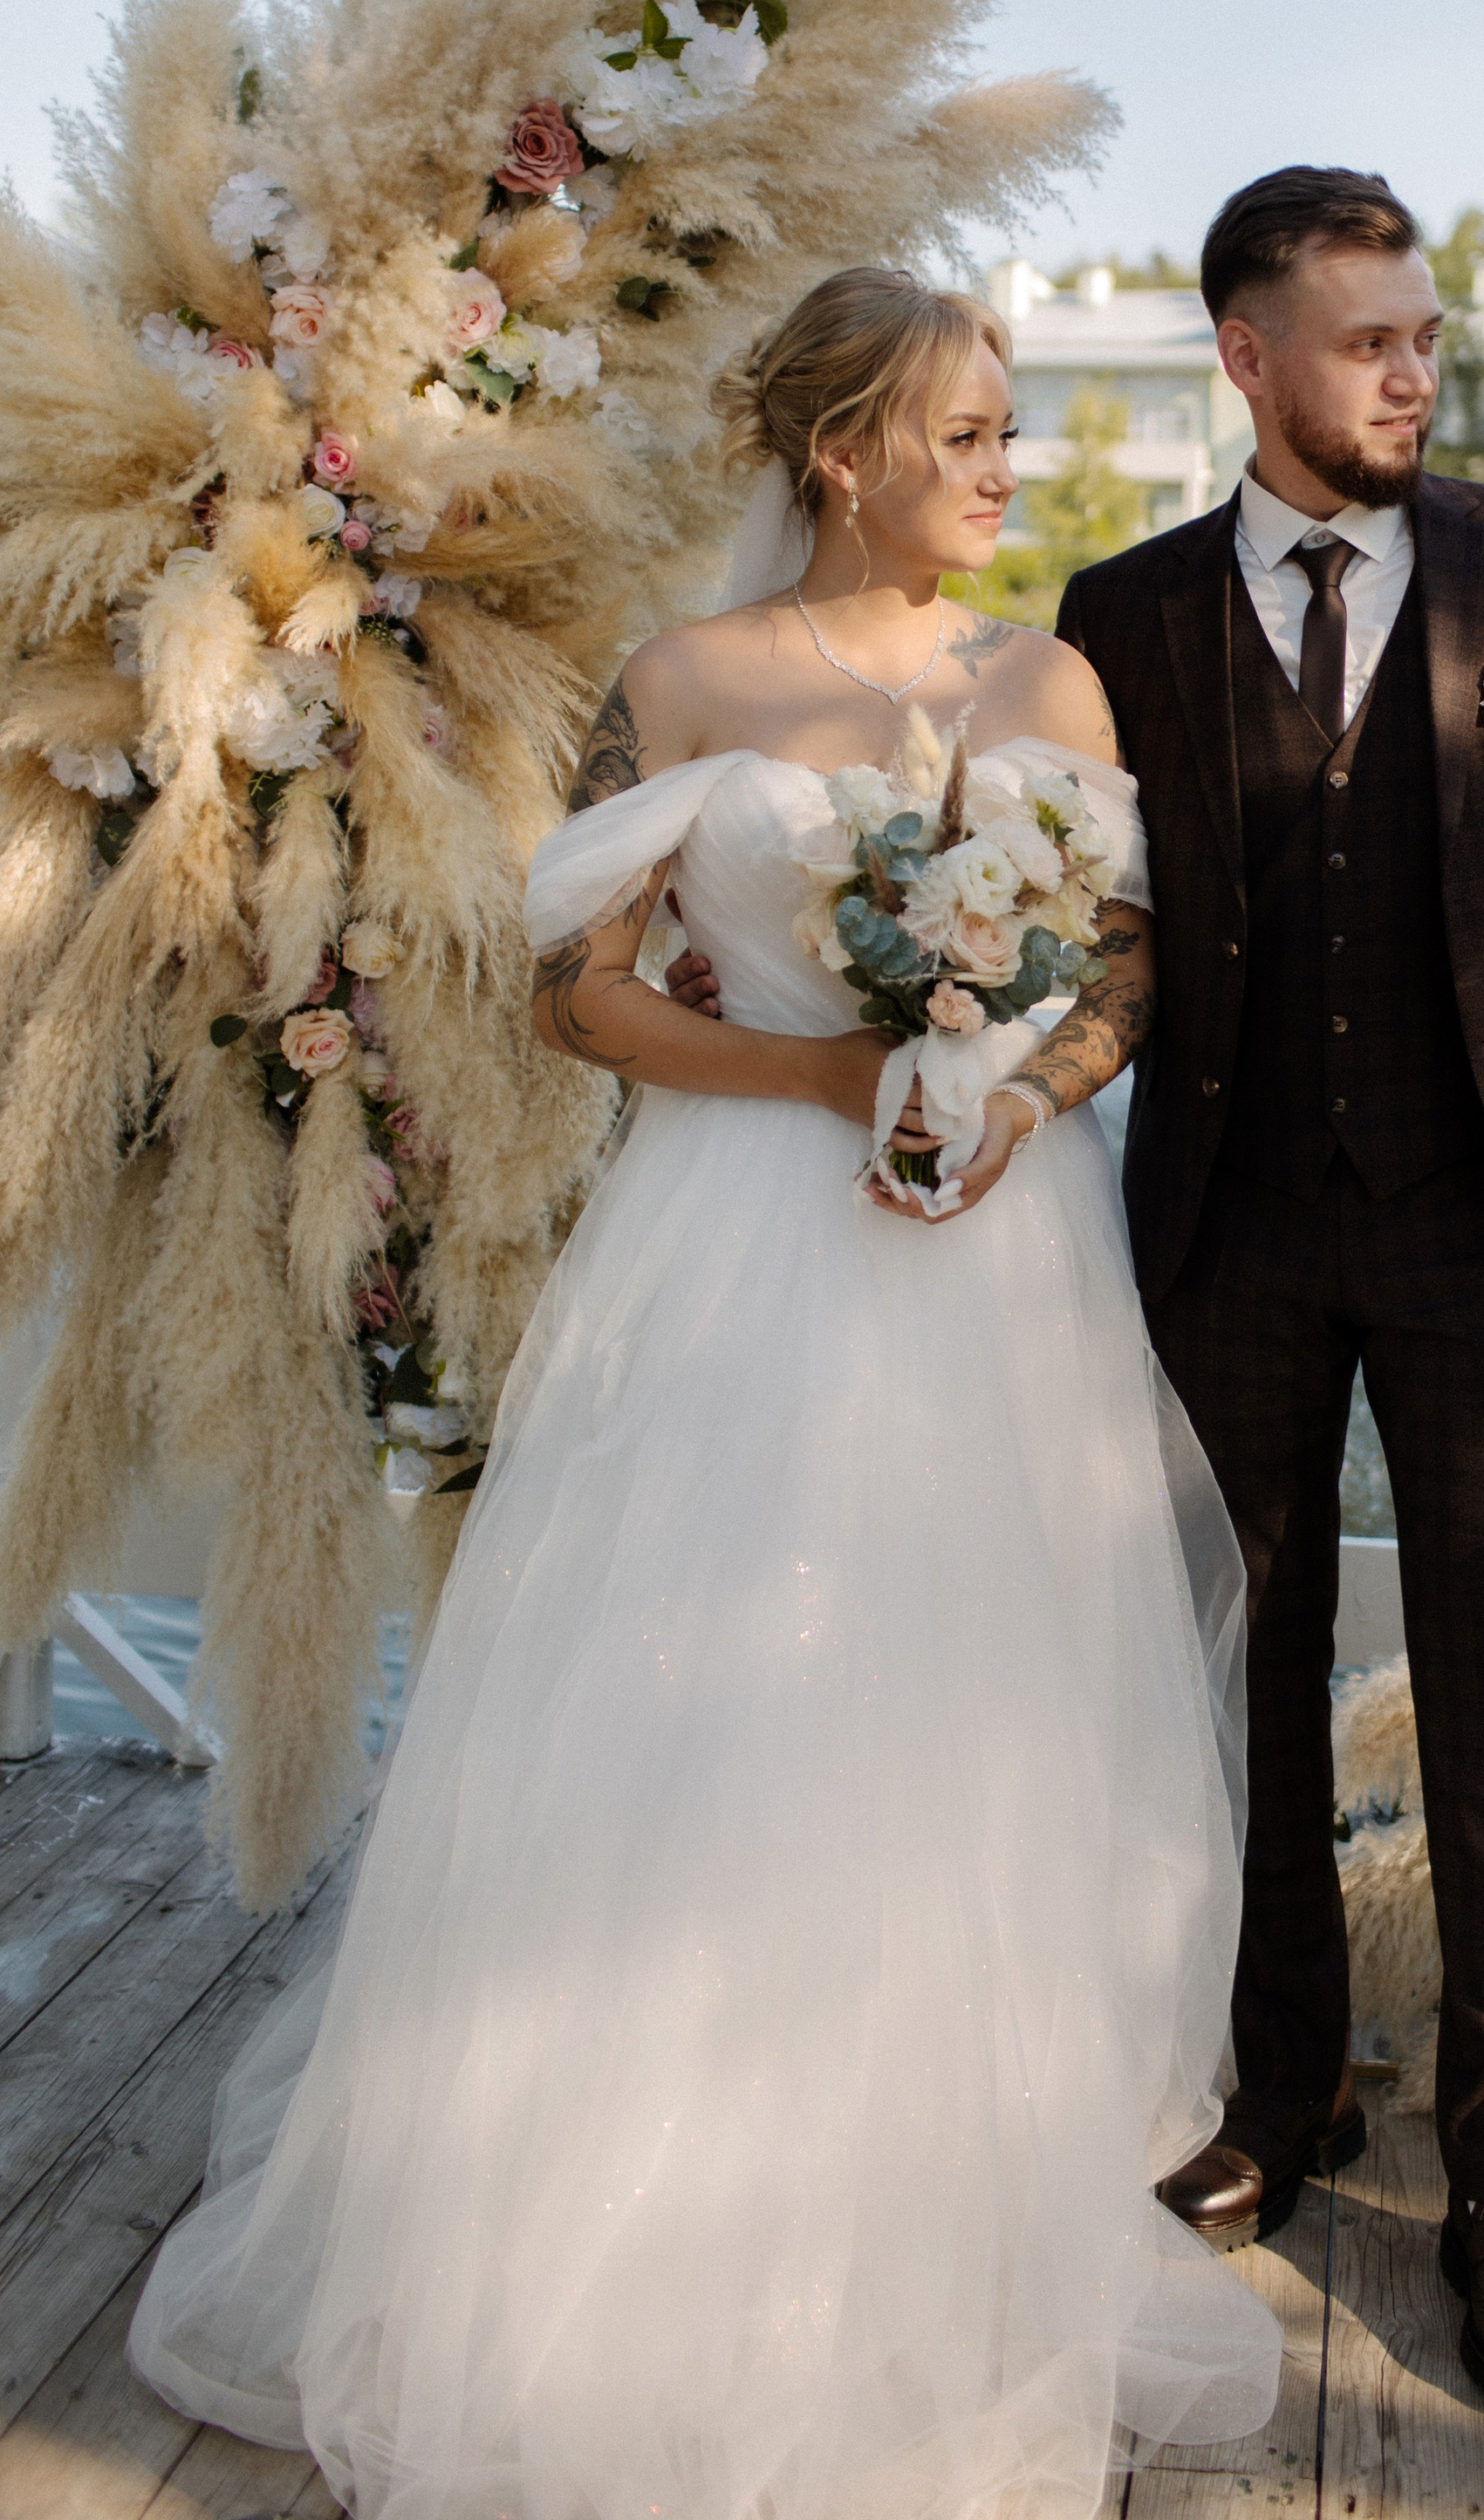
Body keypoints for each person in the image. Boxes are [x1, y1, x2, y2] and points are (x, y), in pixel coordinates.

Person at [130, 268, 1281, 2520]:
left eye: (1009, 431)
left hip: (987, 1268)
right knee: (708, 1728)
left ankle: (940, 2242)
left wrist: (1017, 1097)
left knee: (973, 1734)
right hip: (737, 1249)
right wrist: (833, 1072)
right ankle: (645, 2244)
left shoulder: (1043, 674)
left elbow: (1128, 957)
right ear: (840, 448)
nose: (1003, 469)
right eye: (967, 432)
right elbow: (576, 995)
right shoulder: (675, 685)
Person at [1054, 168, 1484, 2425]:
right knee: (1240, 1674)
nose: (1413, 372)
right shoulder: (1119, 614)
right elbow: (1080, 921)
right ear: (1248, 358)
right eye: (1366, 339)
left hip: (1480, 1221)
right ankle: (1286, 2090)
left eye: (1425, 335)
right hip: (1224, 1220)